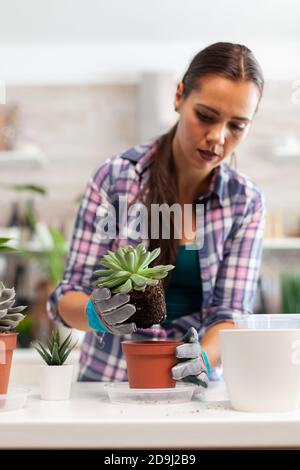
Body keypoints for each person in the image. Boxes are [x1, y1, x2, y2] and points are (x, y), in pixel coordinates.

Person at [48, 42, 265, 388]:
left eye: (237, 126)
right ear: (179, 96)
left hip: (193, 391)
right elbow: (66, 296)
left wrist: (204, 356)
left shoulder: (245, 203)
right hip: (110, 383)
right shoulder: (116, 179)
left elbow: (231, 314)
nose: (217, 138)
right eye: (206, 116)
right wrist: (95, 313)